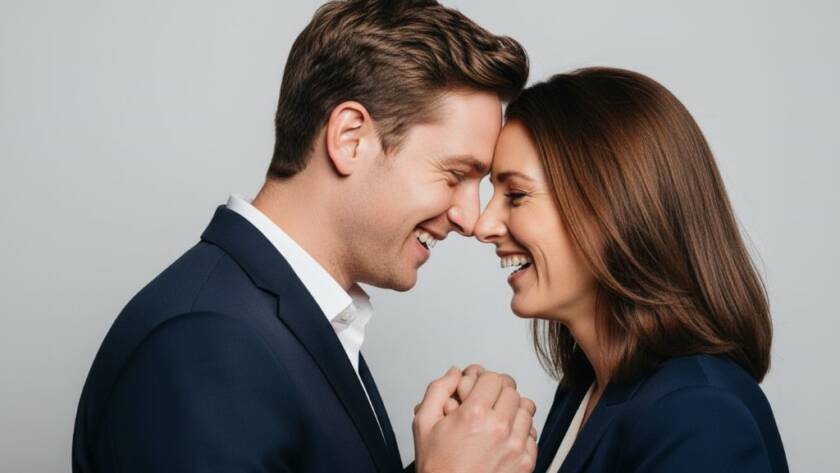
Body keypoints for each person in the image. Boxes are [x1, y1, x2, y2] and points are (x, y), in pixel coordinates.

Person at [71, 1, 536, 472]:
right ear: (350, 138)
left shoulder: (287, 318)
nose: (470, 218)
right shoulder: (208, 342)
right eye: (456, 174)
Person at [473, 67, 789, 472]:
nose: (483, 226)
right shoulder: (585, 390)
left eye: (515, 194)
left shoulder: (698, 415)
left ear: (611, 207)